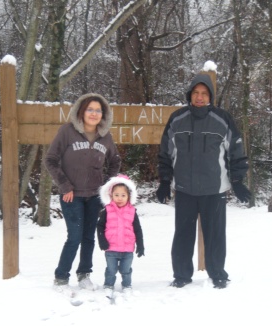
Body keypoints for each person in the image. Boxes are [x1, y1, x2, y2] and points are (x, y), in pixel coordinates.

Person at [156, 73, 250, 289]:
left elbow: (236, 151)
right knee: (183, 235)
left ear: (210, 96)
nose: (200, 97)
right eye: (196, 93)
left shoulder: (222, 119)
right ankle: (181, 275)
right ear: (190, 94)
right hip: (184, 189)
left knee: (215, 235)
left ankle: (217, 273)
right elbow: (165, 153)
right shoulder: (177, 119)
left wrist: (237, 180)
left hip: (214, 189)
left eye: (204, 93)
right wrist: (164, 181)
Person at [45, 93, 121, 290]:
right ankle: (61, 276)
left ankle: (84, 274)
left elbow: (115, 161)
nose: (94, 114)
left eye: (98, 110)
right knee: (74, 236)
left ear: (103, 114)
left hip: (95, 196)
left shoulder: (105, 136)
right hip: (72, 195)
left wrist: (106, 186)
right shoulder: (67, 131)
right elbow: (51, 159)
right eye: (90, 109)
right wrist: (64, 185)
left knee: (88, 237)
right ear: (81, 111)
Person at [96, 174, 144, 295]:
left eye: (123, 195)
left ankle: (127, 285)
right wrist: (102, 241)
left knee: (125, 270)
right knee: (111, 270)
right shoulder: (107, 210)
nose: (119, 198)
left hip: (128, 249)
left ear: (129, 196)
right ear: (111, 195)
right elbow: (100, 226)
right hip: (111, 248)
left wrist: (140, 245)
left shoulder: (132, 211)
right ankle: (108, 285)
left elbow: (137, 229)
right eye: (116, 195)